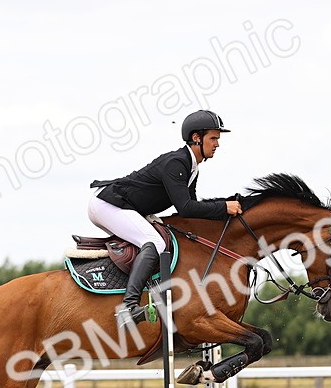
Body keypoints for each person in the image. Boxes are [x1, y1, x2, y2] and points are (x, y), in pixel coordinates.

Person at [89, 109, 242, 328]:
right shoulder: (176, 163)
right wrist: (223, 207)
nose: (217, 144)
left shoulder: (191, 169)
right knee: (155, 243)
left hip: (125, 206)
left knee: (161, 239)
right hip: (107, 204)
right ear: (197, 138)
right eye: (214, 138)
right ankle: (128, 308)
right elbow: (187, 208)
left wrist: (223, 211)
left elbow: (190, 212)